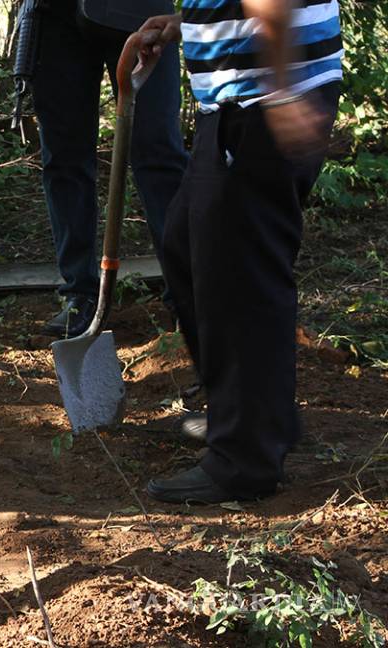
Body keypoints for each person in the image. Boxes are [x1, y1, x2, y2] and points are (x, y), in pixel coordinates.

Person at [136, 0, 342, 503]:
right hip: (243, 102)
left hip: (263, 100)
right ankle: (255, 418)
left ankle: (244, 460)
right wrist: (190, 23)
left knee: (239, 280)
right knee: (186, 245)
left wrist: (277, 87)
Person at [32, 0, 189, 337]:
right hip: (53, 17)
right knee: (64, 157)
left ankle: (188, 296)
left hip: (140, 11)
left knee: (158, 152)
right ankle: (80, 295)